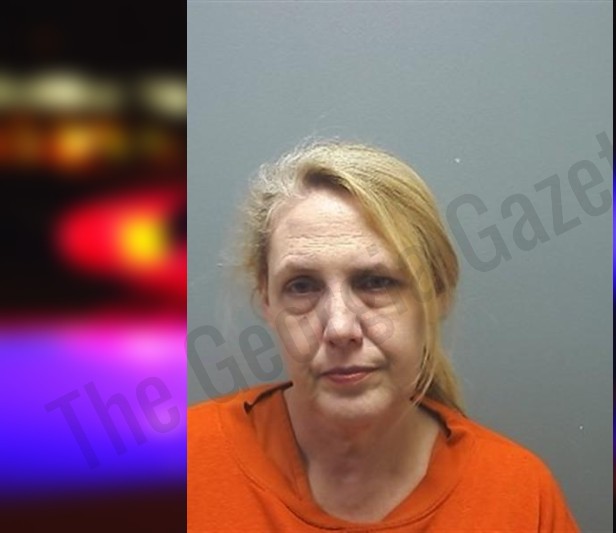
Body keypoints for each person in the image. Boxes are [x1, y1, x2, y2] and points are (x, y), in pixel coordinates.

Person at [187, 140, 579, 531]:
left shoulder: (520, 497)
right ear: (267, 301)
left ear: (437, 293)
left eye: (376, 282)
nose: (340, 328)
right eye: (302, 286)